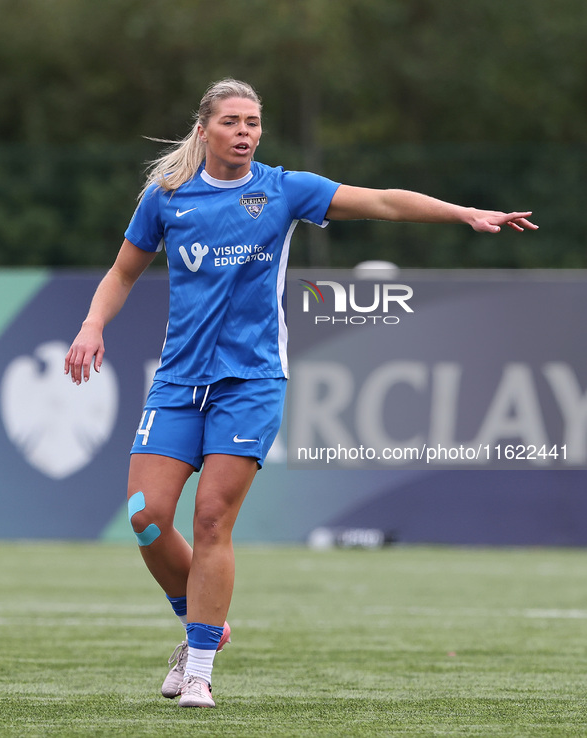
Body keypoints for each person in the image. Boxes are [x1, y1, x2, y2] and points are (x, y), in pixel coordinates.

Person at [64, 78, 538, 709]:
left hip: (252, 382)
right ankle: (202, 620)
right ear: (204, 129)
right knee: (146, 519)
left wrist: (462, 213)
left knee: (211, 521)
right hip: (178, 383)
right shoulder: (167, 198)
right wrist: (93, 323)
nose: (245, 132)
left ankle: (199, 666)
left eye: (254, 122)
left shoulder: (284, 189)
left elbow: (385, 204)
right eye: (232, 121)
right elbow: (123, 272)